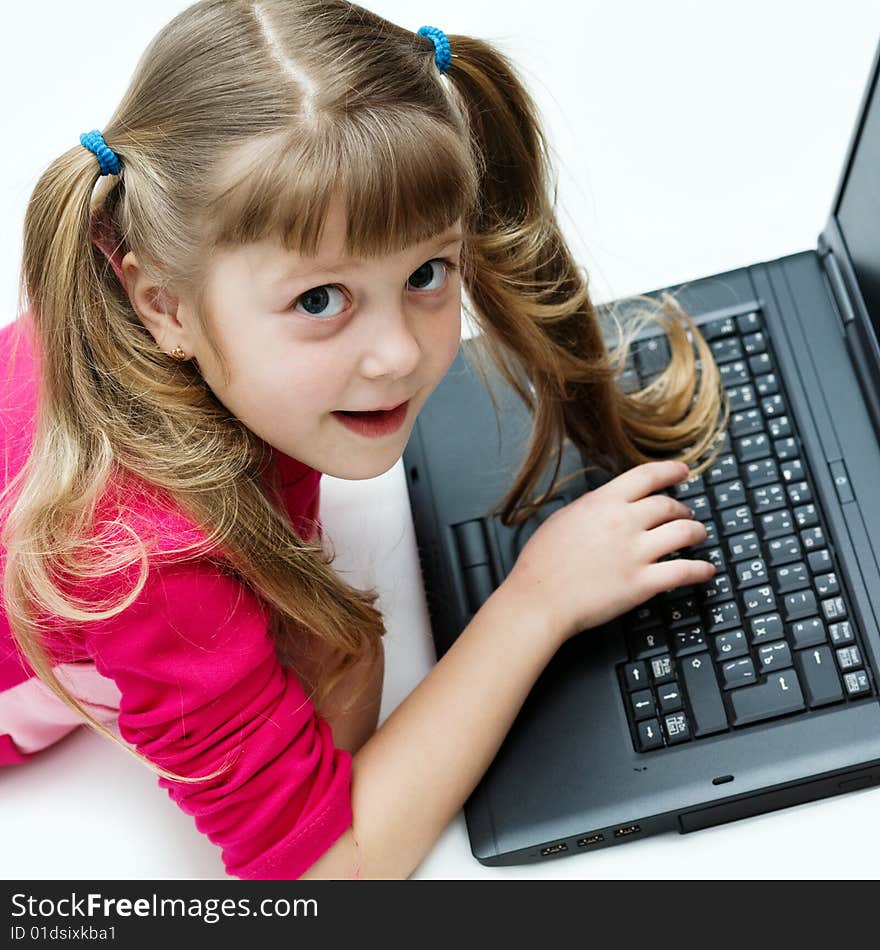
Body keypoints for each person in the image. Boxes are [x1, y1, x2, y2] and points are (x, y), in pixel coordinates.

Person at [0, 0, 727, 880]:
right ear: (163, 304)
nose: (399, 356)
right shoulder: (148, 568)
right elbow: (326, 877)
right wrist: (536, 602)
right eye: (319, 300)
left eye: (426, 274)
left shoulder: (136, 318)